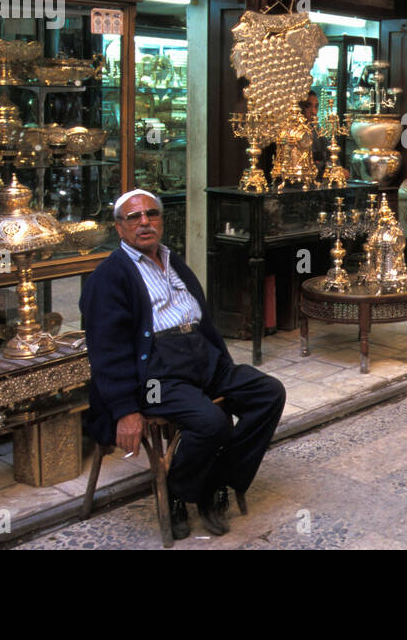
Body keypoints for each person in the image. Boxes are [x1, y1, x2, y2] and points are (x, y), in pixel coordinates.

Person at [82, 189, 286, 540]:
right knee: (209, 423)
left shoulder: (172, 260)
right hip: (155, 372)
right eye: (134, 217)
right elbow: (106, 348)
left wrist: (215, 357)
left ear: (161, 220)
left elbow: (201, 318)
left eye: (152, 214)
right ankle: (179, 492)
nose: (144, 222)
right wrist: (124, 409)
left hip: (201, 356)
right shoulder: (110, 275)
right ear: (119, 228)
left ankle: (221, 481)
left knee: (268, 393)